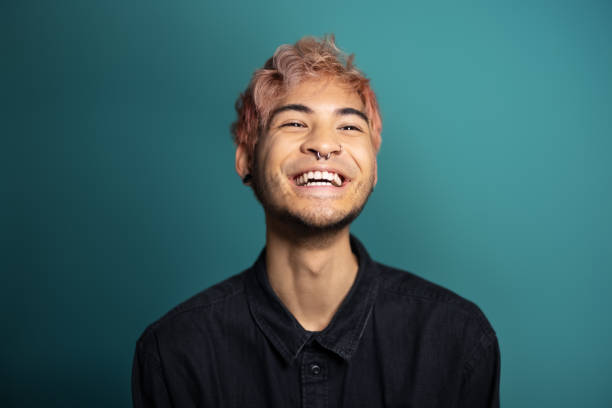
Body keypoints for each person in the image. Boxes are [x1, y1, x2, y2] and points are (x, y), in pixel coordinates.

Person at [132, 35, 500, 408]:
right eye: (294, 122)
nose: (324, 145)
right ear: (246, 160)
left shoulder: (458, 338)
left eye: (350, 127)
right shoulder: (174, 353)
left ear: (373, 169)